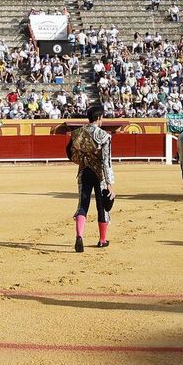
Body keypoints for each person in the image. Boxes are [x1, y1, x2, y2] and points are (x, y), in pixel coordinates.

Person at [67, 102, 115, 252]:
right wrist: (110, 183)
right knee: (102, 207)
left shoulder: (78, 133)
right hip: (99, 174)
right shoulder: (104, 136)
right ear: (99, 117)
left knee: (83, 204)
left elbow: (70, 153)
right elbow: (107, 161)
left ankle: (79, 235)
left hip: (84, 172)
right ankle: (102, 240)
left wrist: (82, 162)